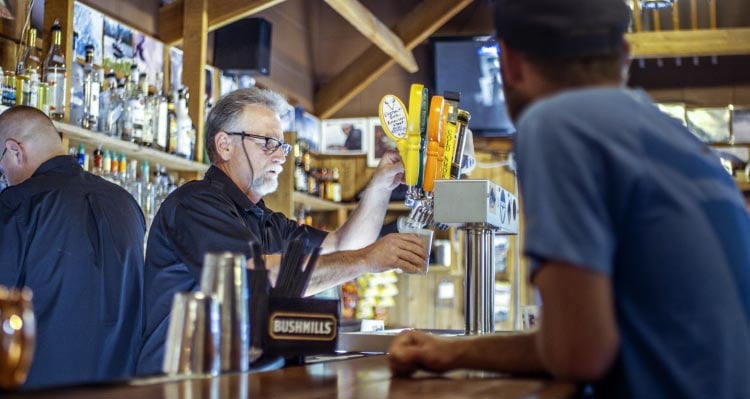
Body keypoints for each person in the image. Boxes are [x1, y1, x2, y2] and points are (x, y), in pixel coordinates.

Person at [388, 0, 750, 398]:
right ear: (625, 56)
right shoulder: (686, 142)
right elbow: (590, 340)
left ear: (509, 63)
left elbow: (579, 354)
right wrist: (452, 352)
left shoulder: (555, 122)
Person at [136, 88, 427, 375]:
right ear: (224, 145)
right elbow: (252, 278)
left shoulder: (265, 219)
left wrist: (380, 186)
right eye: (267, 143)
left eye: (282, 146)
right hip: (181, 384)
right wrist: (366, 260)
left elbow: (342, 245)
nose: (281, 157)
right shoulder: (194, 204)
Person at [0, 106, 145, 388]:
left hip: (38, 389)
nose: (4, 178)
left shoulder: (16, 203)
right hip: (118, 390)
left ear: (15, 150)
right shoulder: (126, 203)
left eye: (1, 169)